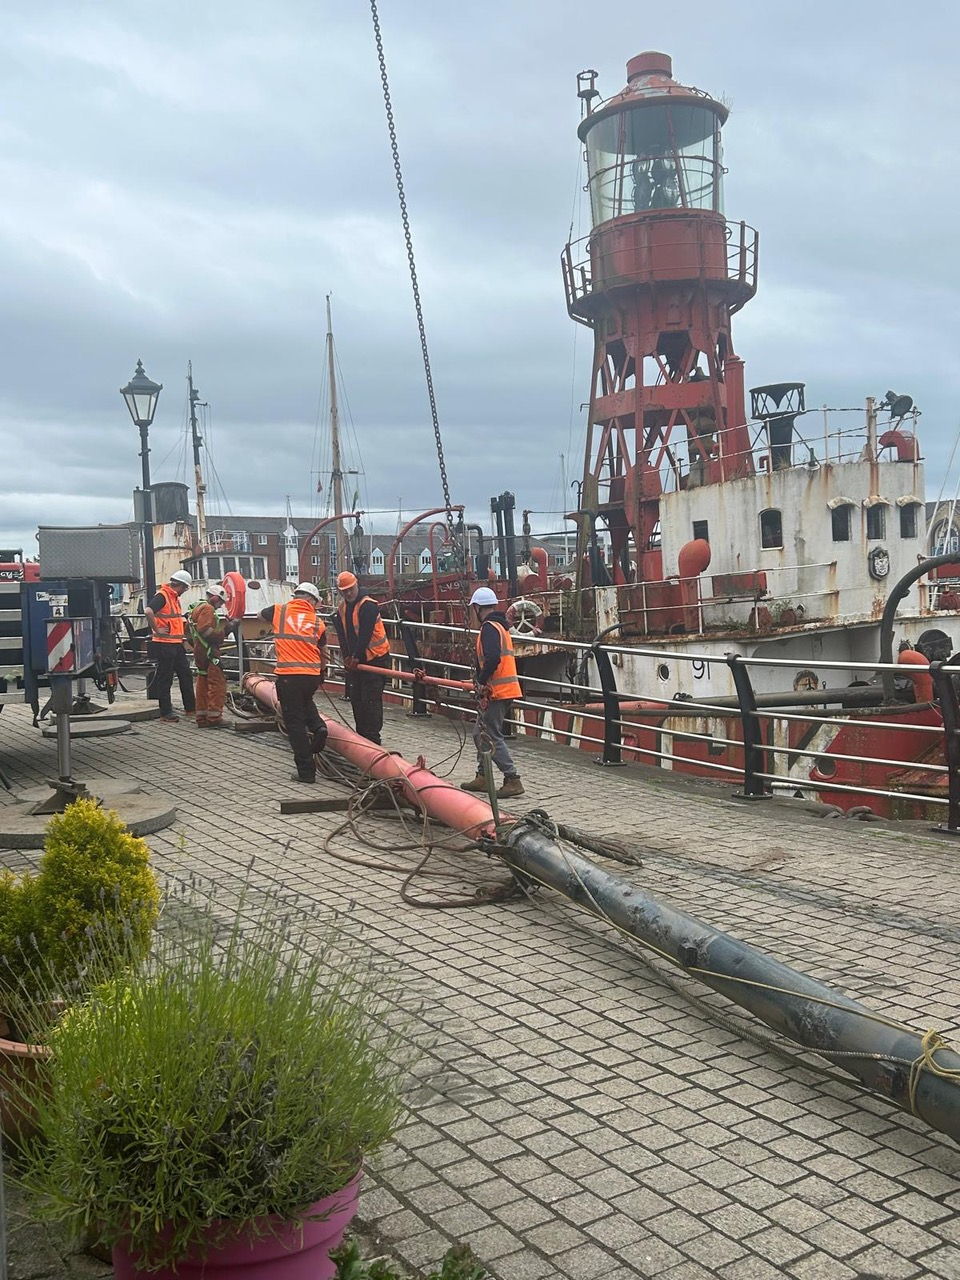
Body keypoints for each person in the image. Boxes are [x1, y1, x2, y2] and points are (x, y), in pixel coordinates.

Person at [260, 583, 328, 783]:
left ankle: (306, 772)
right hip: (311, 676)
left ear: (296, 596)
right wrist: (322, 672)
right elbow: (323, 650)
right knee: (306, 703)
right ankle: (318, 727)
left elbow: (260, 616)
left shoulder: (278, 611)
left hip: (289, 676)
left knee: (295, 724)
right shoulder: (317, 622)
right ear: (312, 600)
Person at [460, 586, 524, 798]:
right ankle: (483, 776)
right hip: (503, 689)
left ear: (478, 607)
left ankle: (512, 778)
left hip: (497, 690)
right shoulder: (500, 626)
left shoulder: (489, 628)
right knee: (482, 732)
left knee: (488, 735)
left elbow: (493, 658)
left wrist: (480, 680)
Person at [333, 571, 390, 745]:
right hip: (357, 662)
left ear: (357, 585)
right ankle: (362, 737)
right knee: (357, 699)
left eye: (350, 589)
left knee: (371, 701)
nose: (348, 593)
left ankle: (373, 740)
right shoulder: (342, 608)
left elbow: (364, 635)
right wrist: (347, 657)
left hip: (375, 660)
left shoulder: (368, 605)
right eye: (344, 591)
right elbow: (343, 635)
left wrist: (355, 657)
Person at [145, 570, 196, 723]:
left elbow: (175, 621)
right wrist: (156, 629)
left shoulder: (173, 598)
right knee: (165, 678)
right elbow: (148, 611)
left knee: (185, 675)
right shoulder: (163, 595)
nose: (184, 591)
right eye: (185, 588)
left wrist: (183, 640)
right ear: (179, 585)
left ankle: (191, 708)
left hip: (175, 644)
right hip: (164, 644)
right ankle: (165, 713)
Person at [188, 583, 231, 729]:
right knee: (217, 684)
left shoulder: (196, 608)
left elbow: (190, 634)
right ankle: (214, 718)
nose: (220, 606)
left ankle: (202, 717)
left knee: (202, 682)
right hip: (209, 652)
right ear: (214, 598)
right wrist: (225, 632)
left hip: (200, 652)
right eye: (220, 602)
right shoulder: (208, 609)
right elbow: (204, 630)